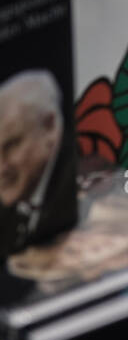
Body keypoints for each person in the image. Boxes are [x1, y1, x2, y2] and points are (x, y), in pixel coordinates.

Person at [0, 71, 74, 255]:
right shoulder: (15, 207)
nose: (1, 167)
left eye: (12, 145)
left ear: (49, 126)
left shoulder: (84, 188)